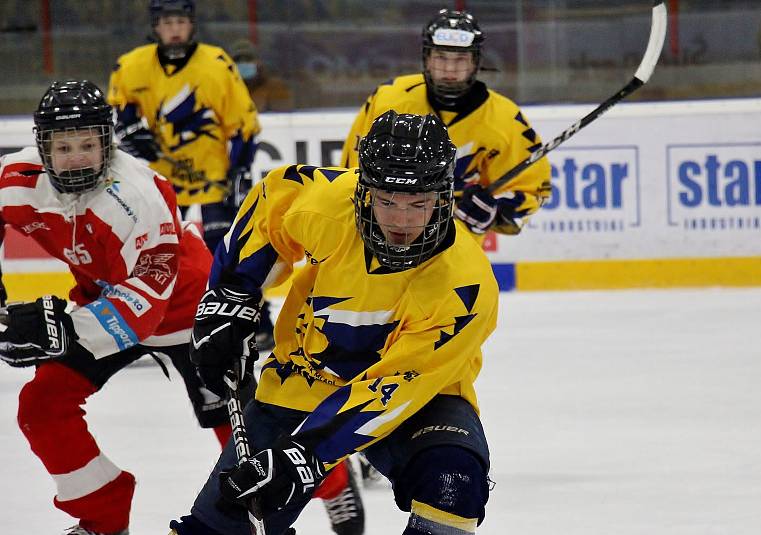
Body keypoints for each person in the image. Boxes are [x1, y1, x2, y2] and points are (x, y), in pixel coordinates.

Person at [167, 110, 499, 535]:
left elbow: (393, 388)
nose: (401, 222)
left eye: (418, 204)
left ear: (442, 197)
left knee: (453, 480)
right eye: (387, 202)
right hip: (303, 378)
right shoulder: (330, 205)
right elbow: (272, 198)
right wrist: (230, 297)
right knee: (220, 525)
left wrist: (305, 455)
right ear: (364, 192)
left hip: (415, 398)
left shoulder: (465, 285)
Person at [0, 80, 231, 535]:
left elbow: (147, 296)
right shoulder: (17, 181)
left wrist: (65, 328)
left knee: (243, 433)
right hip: (100, 302)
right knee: (43, 406)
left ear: (108, 142)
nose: (77, 156)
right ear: (42, 147)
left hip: (189, 310)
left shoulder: (137, 196)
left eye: (88, 144)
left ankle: (333, 485)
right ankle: (103, 517)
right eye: (63, 146)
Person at [107, 0, 277, 351]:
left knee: (229, 252)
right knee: (156, 255)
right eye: (167, 22)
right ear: (156, 26)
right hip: (159, 185)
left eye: (180, 21)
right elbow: (119, 112)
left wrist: (238, 173)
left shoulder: (215, 64)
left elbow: (244, 126)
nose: (174, 29)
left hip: (212, 179)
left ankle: (254, 322)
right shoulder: (132, 66)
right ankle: (147, 323)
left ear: (191, 25)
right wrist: (132, 130)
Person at [341, 9, 552, 244]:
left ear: (475, 62)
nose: (450, 70)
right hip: (382, 235)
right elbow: (352, 172)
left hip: (457, 247)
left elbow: (534, 189)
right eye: (441, 57)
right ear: (427, 59)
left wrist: (496, 211)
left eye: (460, 59)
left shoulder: (505, 119)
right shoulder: (389, 99)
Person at [230, 39, 294, 112]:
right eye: (238, 60)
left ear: (259, 62)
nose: (243, 63)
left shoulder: (275, 87)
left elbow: (282, 117)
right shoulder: (226, 89)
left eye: (248, 59)